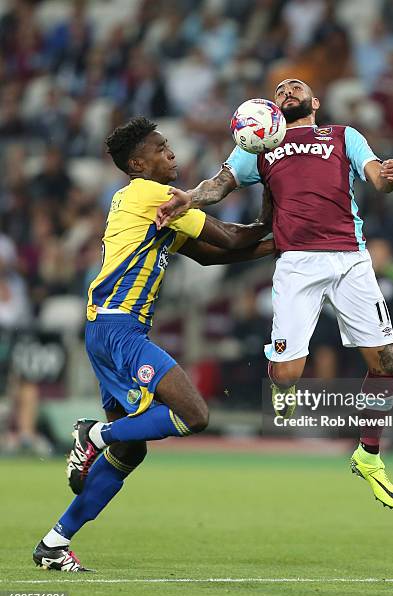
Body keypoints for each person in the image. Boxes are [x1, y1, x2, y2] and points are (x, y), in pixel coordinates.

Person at [33, 117, 274, 572]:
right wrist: (276, 214)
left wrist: (279, 244)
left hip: (106, 330)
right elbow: (231, 235)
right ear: (138, 164)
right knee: (195, 414)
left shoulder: (152, 206)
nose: (173, 155)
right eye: (162, 150)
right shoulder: (151, 194)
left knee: (131, 450)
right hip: (119, 329)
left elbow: (212, 254)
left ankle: (53, 542)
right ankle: (93, 435)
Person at [157, 79, 393, 510]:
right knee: (289, 373)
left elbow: (377, 178)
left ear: (316, 100)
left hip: (350, 257)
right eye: (280, 89)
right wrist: (190, 198)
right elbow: (220, 185)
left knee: (386, 362)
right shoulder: (259, 140)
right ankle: (281, 386)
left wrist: (386, 178)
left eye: (297, 86)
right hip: (297, 264)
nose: (287, 89)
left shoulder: (343, 136)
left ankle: (368, 453)